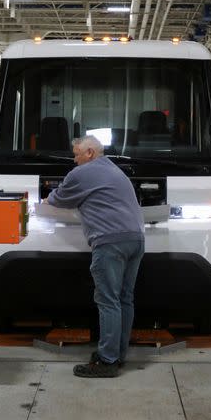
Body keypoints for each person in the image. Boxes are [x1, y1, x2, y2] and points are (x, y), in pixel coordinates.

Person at [45, 135, 145, 378]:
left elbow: (57, 199)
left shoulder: (82, 173)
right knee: (124, 299)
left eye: (77, 154)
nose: (74, 159)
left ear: (89, 153)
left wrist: (47, 197)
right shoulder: (113, 168)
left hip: (110, 242)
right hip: (136, 239)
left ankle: (106, 361)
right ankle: (117, 354)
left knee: (108, 300)